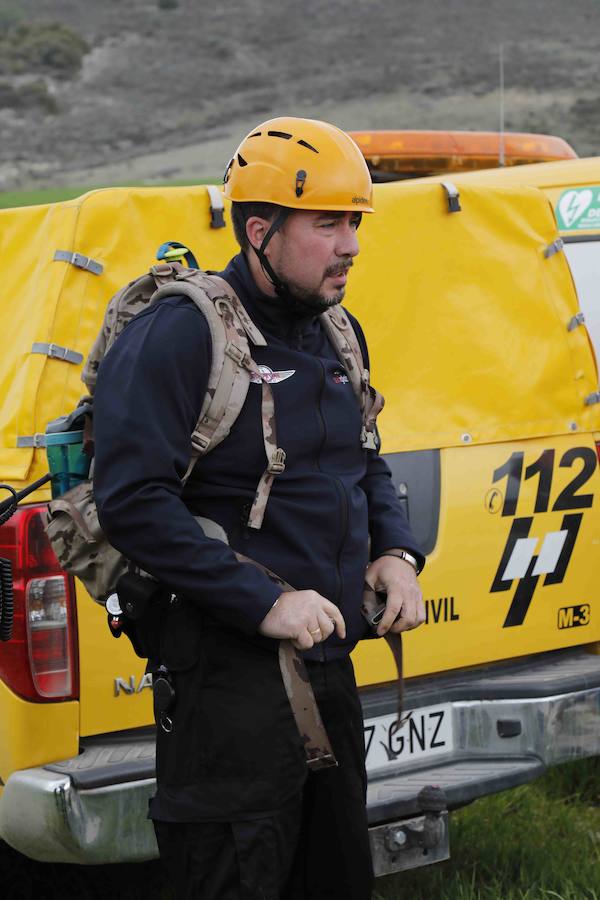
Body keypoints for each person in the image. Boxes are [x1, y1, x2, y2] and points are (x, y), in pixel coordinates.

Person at [93, 116, 426, 900]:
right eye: (327, 224)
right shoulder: (180, 332)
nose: (349, 245)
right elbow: (132, 502)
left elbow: (363, 458)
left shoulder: (337, 333)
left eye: (355, 222)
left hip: (330, 672)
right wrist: (266, 600)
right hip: (224, 690)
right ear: (259, 230)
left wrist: (396, 552)